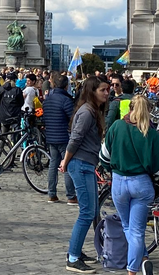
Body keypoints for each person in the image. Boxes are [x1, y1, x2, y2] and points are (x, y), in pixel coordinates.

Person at [100, 95, 159, 275]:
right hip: (142, 183)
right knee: (136, 230)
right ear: (149, 110)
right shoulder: (151, 133)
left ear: (129, 108)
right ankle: (136, 266)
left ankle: (138, 261)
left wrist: (109, 168)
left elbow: (104, 156)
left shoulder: (117, 126)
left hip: (119, 182)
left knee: (128, 226)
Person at [59, 76, 111, 272]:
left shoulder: (92, 110)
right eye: (103, 90)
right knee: (87, 212)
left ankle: (76, 251)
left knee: (92, 210)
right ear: (92, 91)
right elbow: (75, 138)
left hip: (86, 163)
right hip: (80, 164)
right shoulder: (88, 112)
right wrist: (65, 161)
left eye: (107, 89)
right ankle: (72, 258)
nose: (107, 93)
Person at [42, 74, 77, 204]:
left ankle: (51, 194)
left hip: (51, 135)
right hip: (64, 136)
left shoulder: (48, 99)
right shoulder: (66, 100)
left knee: (53, 164)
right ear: (66, 86)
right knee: (67, 165)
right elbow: (72, 119)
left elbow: (45, 118)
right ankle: (71, 195)